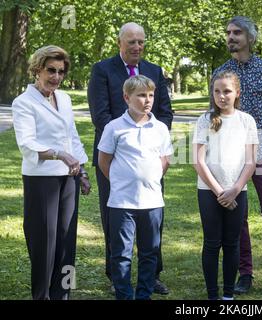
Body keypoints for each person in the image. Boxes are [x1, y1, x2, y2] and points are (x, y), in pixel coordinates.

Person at [88, 22, 173, 294]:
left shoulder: (154, 71)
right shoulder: (102, 70)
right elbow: (100, 115)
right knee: (114, 218)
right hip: (114, 159)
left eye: (141, 42)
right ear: (119, 43)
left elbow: (165, 112)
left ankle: (152, 275)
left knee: (152, 218)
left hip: (150, 158)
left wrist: (150, 141)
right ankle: (117, 277)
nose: (137, 47)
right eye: (131, 42)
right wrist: (125, 141)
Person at [11, 45, 90, 300]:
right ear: (37, 69)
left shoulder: (64, 98)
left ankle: (62, 295)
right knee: (44, 243)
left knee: (67, 241)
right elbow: (27, 143)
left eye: (61, 72)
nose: (56, 77)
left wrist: (82, 170)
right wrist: (60, 154)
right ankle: (42, 296)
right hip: (40, 179)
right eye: (51, 71)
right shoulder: (23, 102)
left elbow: (72, 136)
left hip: (69, 177)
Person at [213, 16, 262, 295]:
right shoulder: (220, 72)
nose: (231, 37)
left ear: (250, 37)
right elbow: (215, 113)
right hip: (231, 150)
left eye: (237, 32)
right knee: (237, 214)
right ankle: (244, 273)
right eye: (228, 32)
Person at [193, 71, 258, 300]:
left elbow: (251, 162)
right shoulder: (205, 120)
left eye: (227, 91)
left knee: (232, 243)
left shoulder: (246, 120)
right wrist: (220, 191)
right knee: (212, 243)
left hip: (237, 191)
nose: (222, 96)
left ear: (237, 93)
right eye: (217, 91)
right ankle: (213, 295)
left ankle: (228, 295)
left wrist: (235, 189)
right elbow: (199, 161)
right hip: (209, 191)